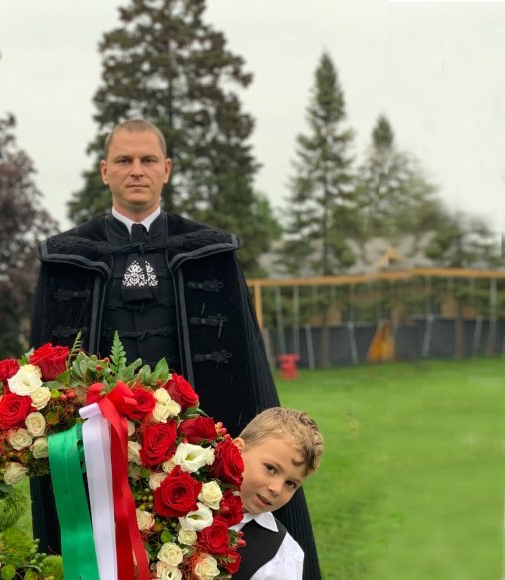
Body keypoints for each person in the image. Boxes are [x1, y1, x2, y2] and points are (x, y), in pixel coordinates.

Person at [30, 118, 322, 578]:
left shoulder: (211, 254)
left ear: (166, 170)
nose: (136, 170)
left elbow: (247, 367)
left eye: (148, 160)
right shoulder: (67, 260)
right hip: (100, 456)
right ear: (105, 171)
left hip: (192, 451)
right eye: (124, 160)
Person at [230, 407, 324, 580]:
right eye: (271, 468)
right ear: (237, 450)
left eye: (290, 483)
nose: (277, 489)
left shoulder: (281, 556)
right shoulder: (185, 493)